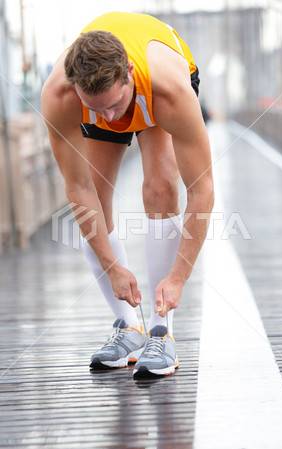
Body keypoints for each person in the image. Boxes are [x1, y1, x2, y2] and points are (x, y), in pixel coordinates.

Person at [41, 11, 214, 378]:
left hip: (157, 81)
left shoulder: (169, 91)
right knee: (96, 200)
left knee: (160, 187)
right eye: (96, 108)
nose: (107, 117)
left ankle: (161, 330)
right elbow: (78, 189)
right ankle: (128, 326)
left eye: (114, 107)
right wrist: (112, 266)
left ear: (129, 77)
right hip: (112, 90)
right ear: (75, 90)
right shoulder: (60, 97)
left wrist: (178, 278)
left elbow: (201, 190)